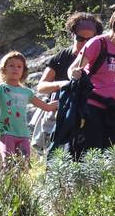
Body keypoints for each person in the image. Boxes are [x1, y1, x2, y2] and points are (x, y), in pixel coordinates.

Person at [68, 3, 115, 159]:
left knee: (111, 157)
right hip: (91, 108)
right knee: (87, 156)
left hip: (112, 111)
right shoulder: (98, 43)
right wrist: (75, 73)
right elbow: (73, 69)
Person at [31, 13, 103, 152]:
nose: (85, 44)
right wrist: (63, 84)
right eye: (80, 38)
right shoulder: (62, 56)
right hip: (61, 113)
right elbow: (41, 87)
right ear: (72, 35)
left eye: (90, 40)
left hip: (90, 113)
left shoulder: (101, 58)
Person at [0, 51, 58, 165]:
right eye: (11, 65)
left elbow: (46, 107)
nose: (15, 69)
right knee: (9, 163)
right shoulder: (1, 88)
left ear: (23, 71)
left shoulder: (27, 92)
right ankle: (8, 183)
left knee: (24, 165)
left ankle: (19, 183)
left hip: (23, 134)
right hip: (5, 132)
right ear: (4, 69)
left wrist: (58, 103)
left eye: (19, 66)